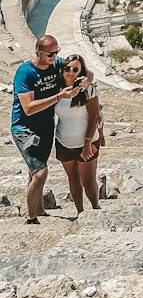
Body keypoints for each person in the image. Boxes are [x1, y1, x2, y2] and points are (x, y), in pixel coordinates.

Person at [11, 35, 88, 224]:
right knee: (40, 171)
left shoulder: (56, 64)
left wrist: (87, 79)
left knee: (35, 168)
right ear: (38, 52)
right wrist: (59, 97)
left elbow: (81, 67)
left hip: (46, 126)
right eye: (51, 54)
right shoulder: (25, 72)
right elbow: (28, 108)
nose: (55, 57)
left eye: (57, 52)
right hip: (24, 128)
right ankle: (31, 219)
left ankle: (39, 209)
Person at [54, 55, 101, 216]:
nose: (70, 72)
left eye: (75, 69)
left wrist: (88, 143)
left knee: (88, 181)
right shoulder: (57, 89)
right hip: (64, 141)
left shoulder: (88, 89)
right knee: (73, 179)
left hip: (86, 142)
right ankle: (80, 213)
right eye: (67, 68)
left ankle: (95, 208)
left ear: (81, 71)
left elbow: (94, 116)